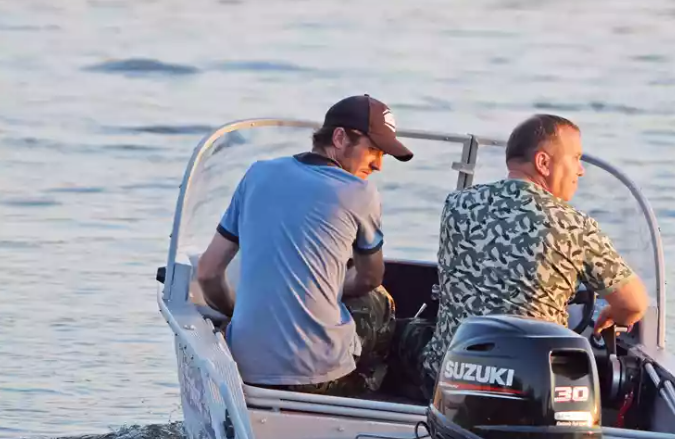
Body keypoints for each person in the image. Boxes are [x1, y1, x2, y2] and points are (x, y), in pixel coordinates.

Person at [196, 94, 414, 396]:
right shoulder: (359, 192)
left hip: (245, 370)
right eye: (374, 150)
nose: (378, 165)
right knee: (378, 300)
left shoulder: (258, 173)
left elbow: (207, 272)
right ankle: (366, 386)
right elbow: (370, 277)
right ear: (339, 137)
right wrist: (328, 288)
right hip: (318, 381)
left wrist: (234, 313)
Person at [418, 113, 648, 395]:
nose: (581, 170)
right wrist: (614, 314)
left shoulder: (457, 205)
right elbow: (635, 304)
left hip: (450, 377)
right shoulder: (575, 226)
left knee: (410, 335)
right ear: (543, 162)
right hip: (534, 386)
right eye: (575, 158)